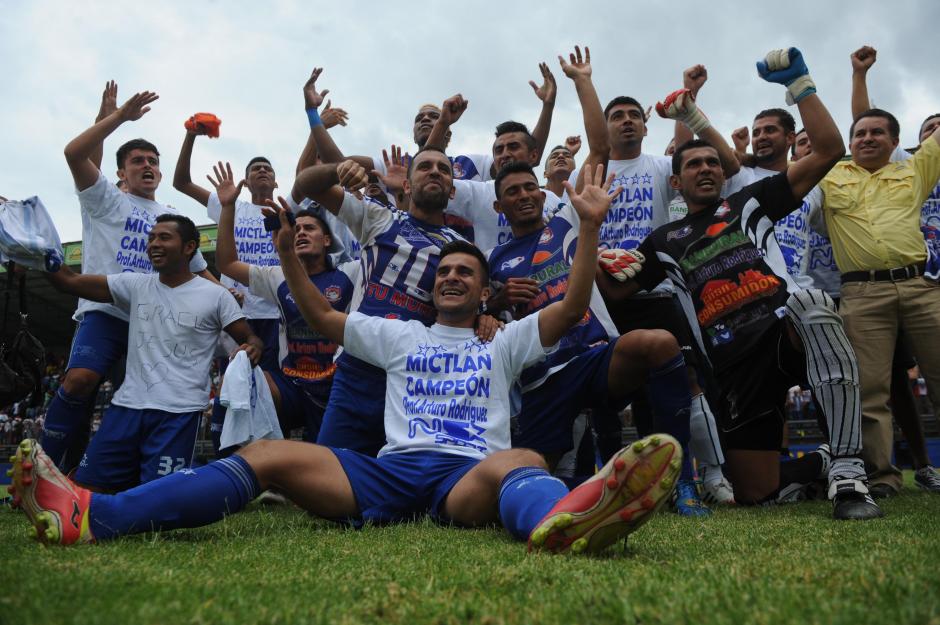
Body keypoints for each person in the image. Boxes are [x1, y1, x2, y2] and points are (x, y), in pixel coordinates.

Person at [9, 166, 681, 555]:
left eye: (465, 273)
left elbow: (570, 309)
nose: (451, 277)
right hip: (387, 473)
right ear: (434, 287)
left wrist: (587, 225)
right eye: (444, 271)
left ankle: (561, 522)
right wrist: (291, 260)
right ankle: (94, 515)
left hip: (467, 477)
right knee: (267, 453)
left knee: (524, 459)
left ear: (484, 292)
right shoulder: (400, 336)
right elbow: (327, 319)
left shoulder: (501, 339)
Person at [602, 47, 885, 520]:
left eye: (712, 162)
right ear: (676, 182)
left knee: (813, 303)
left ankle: (849, 473)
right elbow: (615, 292)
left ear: (724, 171)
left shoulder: (749, 201)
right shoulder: (662, 240)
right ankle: (820, 462)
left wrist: (799, 85)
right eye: (694, 165)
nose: (706, 168)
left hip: (782, 331)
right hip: (731, 365)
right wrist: (592, 236)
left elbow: (829, 149)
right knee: (755, 493)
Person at [488, 160, 705, 515]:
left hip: (593, 356)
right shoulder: (493, 259)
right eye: (513, 191)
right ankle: (602, 483)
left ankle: (682, 481)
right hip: (541, 378)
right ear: (499, 206)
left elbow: (599, 148)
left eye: (530, 187)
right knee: (530, 477)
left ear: (542, 195)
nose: (524, 195)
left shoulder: (569, 220)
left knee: (660, 343)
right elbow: (481, 315)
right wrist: (496, 301)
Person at [580, 52, 736, 505]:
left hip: (657, 289)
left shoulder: (659, 168)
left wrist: (690, 98)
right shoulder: (588, 171)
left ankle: (708, 476)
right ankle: (609, 485)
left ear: (647, 126)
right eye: (617, 116)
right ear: (605, 127)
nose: (626, 122)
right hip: (604, 297)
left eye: (634, 115)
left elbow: (704, 156)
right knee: (602, 389)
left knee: (686, 380)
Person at [41, 88, 217, 475]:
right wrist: (117, 117)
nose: (147, 165)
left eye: (153, 161)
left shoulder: (172, 217)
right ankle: (43, 467)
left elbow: (199, 271)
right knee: (80, 381)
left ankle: (114, 477)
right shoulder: (106, 199)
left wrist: (229, 298)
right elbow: (75, 154)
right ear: (121, 173)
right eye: (137, 161)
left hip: (153, 322)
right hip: (105, 312)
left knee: (141, 404)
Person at [289, 147, 495, 456]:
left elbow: (475, 303)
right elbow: (306, 184)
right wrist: (338, 170)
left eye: (443, 169)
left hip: (416, 376)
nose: (435, 171)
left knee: (400, 474)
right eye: (425, 166)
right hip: (358, 368)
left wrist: (486, 317)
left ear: (452, 192)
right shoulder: (378, 216)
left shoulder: (463, 248)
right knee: (329, 469)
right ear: (407, 186)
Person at [43, 214, 261, 491]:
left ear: (189, 247)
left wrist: (252, 347)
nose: (154, 244)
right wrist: (40, 252)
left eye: (164, 237)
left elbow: (250, 337)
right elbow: (69, 281)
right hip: (126, 408)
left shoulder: (216, 296)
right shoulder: (135, 285)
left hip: (178, 414)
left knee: (157, 499)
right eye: (151, 238)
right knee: (88, 493)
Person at [809, 45, 940, 497]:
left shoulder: (915, 170)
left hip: (922, 287)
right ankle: (882, 477)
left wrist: (861, 76)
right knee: (870, 390)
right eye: (860, 134)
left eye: (877, 133)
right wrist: (857, 75)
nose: (867, 138)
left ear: (895, 142)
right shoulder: (829, 178)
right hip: (862, 295)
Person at [211, 162, 357, 443]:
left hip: (337, 385)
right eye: (296, 229)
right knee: (241, 379)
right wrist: (228, 208)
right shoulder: (278, 276)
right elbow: (227, 263)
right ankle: (235, 463)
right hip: (292, 384)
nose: (301, 233)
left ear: (328, 240)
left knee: (326, 457)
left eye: (310, 228)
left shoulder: (352, 273)